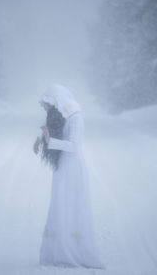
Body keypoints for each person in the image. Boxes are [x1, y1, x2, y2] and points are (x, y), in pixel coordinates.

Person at [33, 83, 105, 269]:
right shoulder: (62, 115)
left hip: (72, 168)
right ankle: (59, 249)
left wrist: (50, 141)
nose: (47, 108)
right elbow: (58, 133)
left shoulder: (75, 117)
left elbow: (73, 145)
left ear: (58, 101)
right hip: (62, 167)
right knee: (60, 205)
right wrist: (41, 140)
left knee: (71, 206)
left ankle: (74, 250)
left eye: (49, 104)